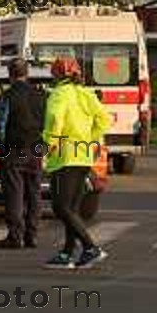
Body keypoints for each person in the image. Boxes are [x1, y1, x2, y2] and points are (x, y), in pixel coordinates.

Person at [43, 56, 110, 269]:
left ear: (57, 75)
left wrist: (50, 142)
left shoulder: (59, 94)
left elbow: (54, 118)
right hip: (83, 155)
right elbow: (104, 119)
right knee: (71, 208)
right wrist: (90, 139)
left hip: (64, 156)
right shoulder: (86, 93)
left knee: (61, 207)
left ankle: (91, 248)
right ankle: (67, 253)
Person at [0, 58, 46, 249]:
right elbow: (46, 123)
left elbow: (0, 125)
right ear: (27, 73)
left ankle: (15, 236)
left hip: (13, 150)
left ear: (9, 74)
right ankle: (32, 235)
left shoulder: (7, 96)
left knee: (14, 193)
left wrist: (0, 147)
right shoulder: (40, 95)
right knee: (34, 192)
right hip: (35, 149)